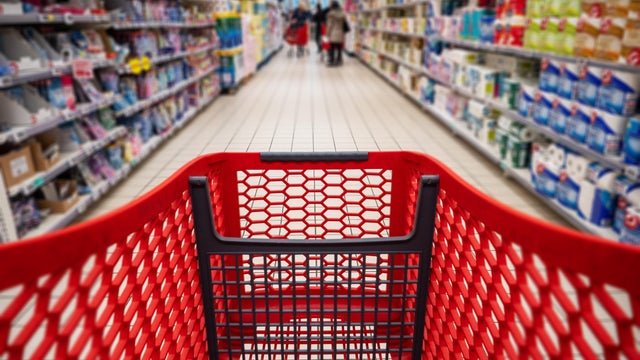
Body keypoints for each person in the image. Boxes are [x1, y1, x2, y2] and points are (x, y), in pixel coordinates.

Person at [326, 1, 347, 66]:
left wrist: (327, 33)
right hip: (340, 32)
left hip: (333, 32)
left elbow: (329, 25)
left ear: (332, 6)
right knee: (339, 47)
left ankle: (332, 61)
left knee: (332, 47)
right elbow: (344, 24)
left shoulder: (330, 14)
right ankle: (339, 60)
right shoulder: (343, 13)